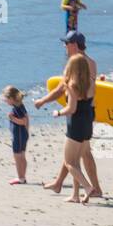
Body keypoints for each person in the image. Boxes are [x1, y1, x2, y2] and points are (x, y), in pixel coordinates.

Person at [34, 31, 102, 199]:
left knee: (73, 157)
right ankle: (72, 192)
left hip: (77, 116)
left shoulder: (75, 67)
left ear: (74, 45)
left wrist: (45, 103)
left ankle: (91, 188)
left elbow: (61, 91)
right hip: (88, 113)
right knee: (78, 154)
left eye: (66, 43)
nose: (64, 46)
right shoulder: (90, 64)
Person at [45, 54, 96, 203]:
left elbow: (71, 108)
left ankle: (87, 187)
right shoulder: (92, 83)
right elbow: (91, 104)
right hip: (87, 123)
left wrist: (58, 112)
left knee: (69, 162)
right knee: (77, 160)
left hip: (75, 125)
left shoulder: (72, 85)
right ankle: (75, 195)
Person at [3, 86, 30, 185]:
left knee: (17, 156)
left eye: (6, 99)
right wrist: (27, 131)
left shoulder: (17, 108)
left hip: (19, 135)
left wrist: (12, 118)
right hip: (23, 134)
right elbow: (27, 119)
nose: (5, 101)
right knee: (22, 156)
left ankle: (20, 178)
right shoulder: (20, 106)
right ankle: (22, 176)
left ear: (11, 99)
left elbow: (24, 121)